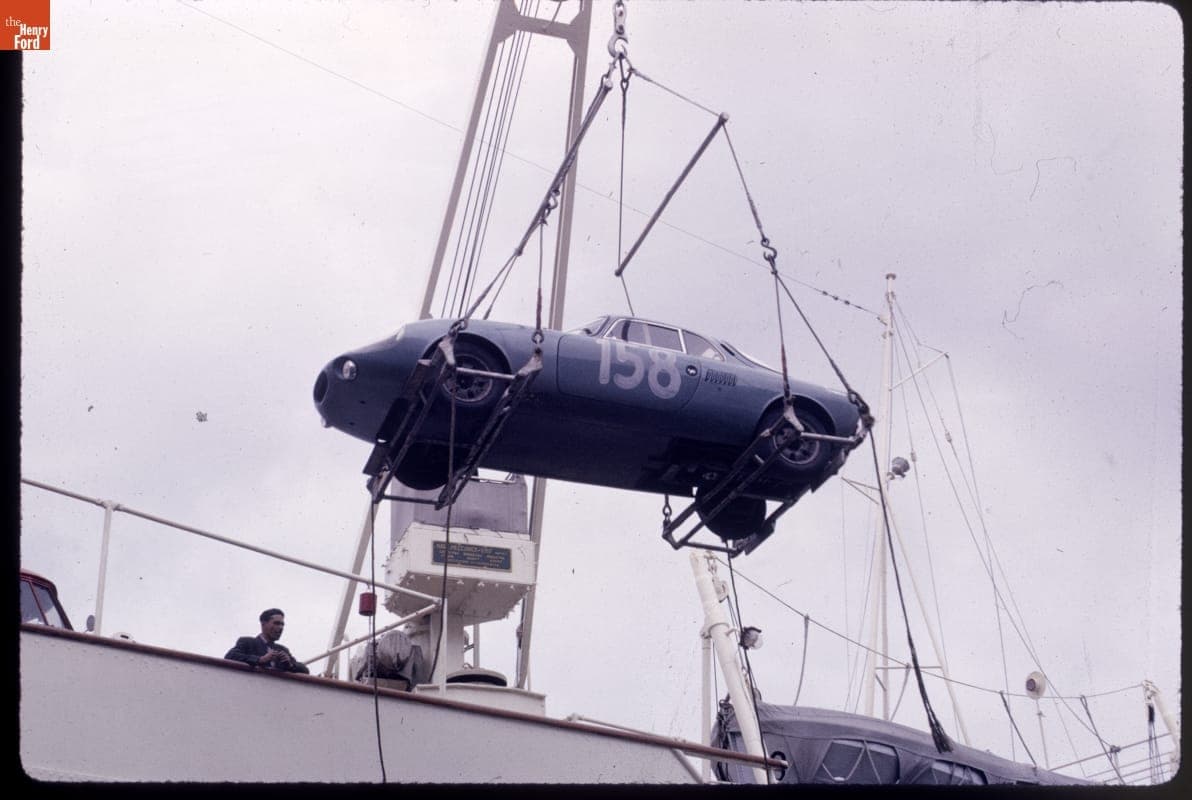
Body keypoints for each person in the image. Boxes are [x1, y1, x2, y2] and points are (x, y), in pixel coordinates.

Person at [224, 607, 309, 674]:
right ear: (263, 624)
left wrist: (290, 664)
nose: (280, 628)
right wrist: (260, 659)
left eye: (282, 624)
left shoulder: (283, 649)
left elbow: (305, 670)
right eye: (276, 623)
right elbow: (230, 656)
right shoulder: (248, 642)